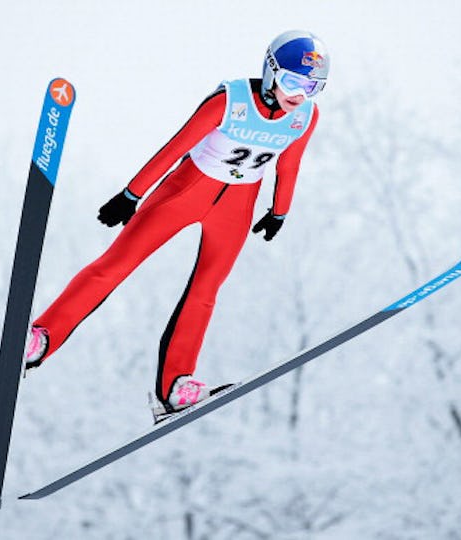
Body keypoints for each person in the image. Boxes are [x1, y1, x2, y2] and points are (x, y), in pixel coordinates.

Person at [25, 30, 330, 421]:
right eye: (292, 81)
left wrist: (279, 210)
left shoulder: (305, 115)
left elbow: (290, 163)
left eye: (313, 86)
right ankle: (41, 338)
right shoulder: (230, 101)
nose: (300, 95)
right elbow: (175, 147)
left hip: (238, 205)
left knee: (206, 291)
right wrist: (131, 195)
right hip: (187, 190)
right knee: (117, 264)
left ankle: (175, 386)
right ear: (270, 72)